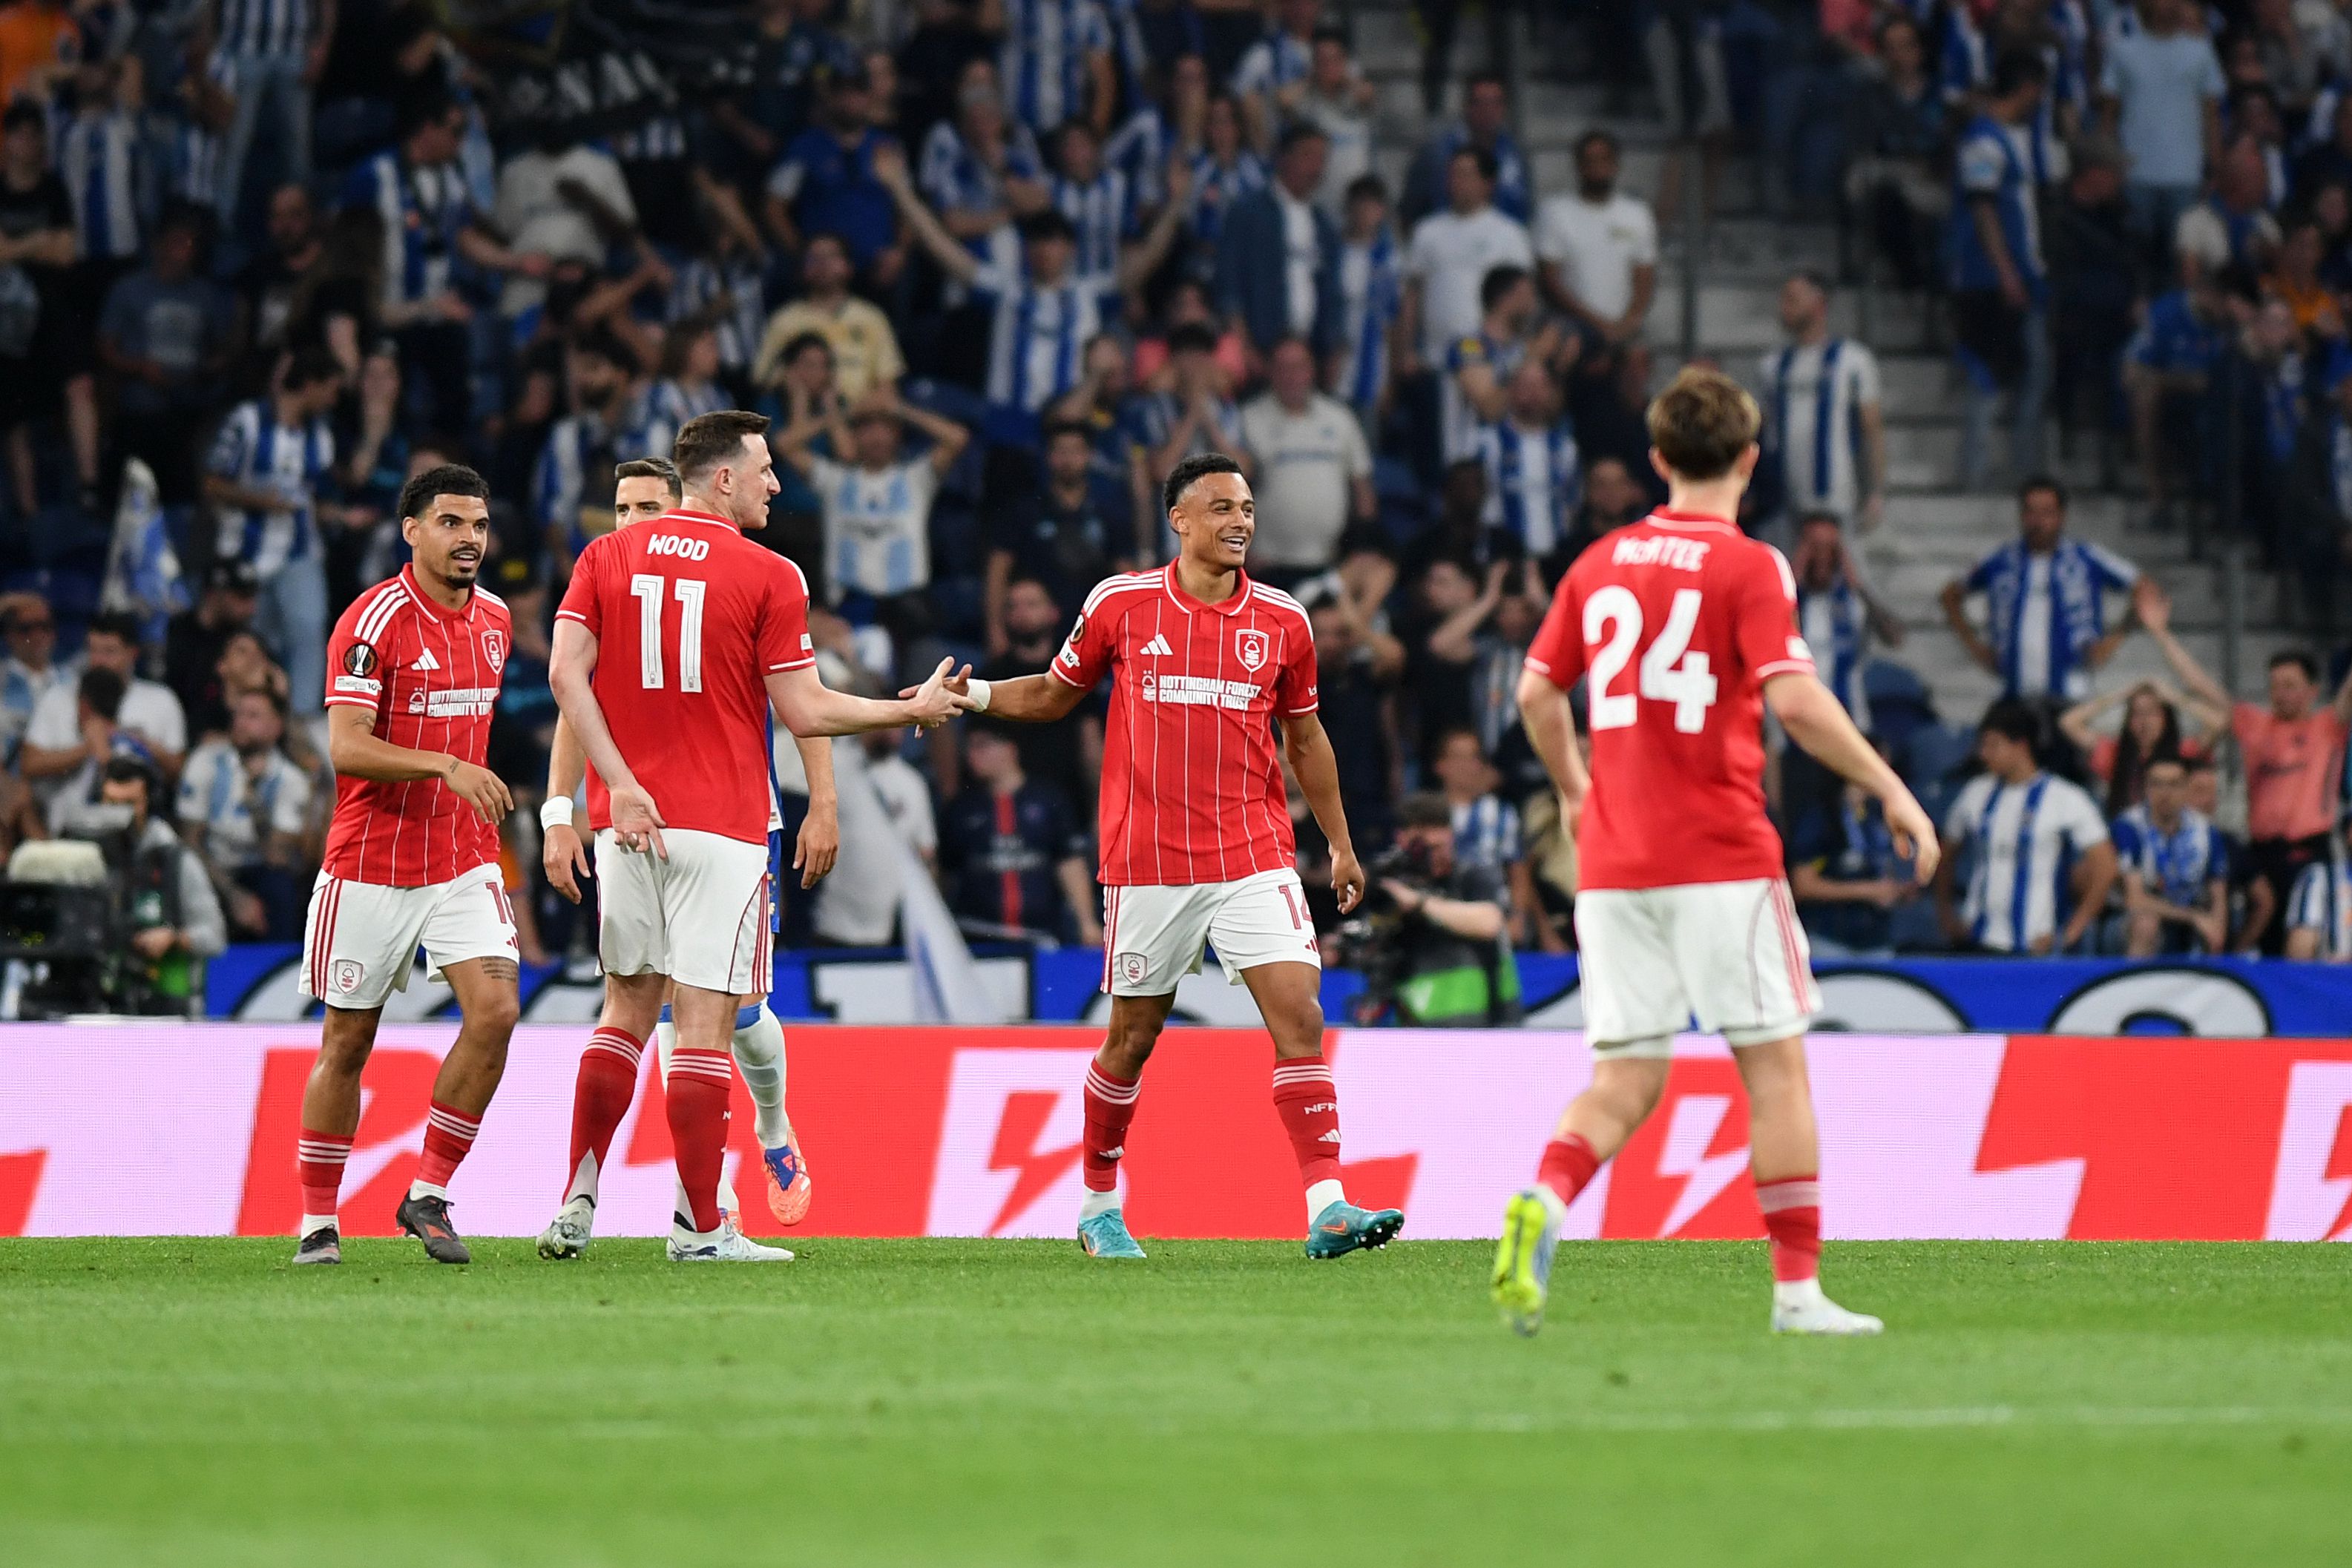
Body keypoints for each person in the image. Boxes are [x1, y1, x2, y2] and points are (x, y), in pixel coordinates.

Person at [1495, 366, 1941, 1339]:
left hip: (1614, 862)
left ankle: (1546, 1199)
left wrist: (1576, 792)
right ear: (1749, 458)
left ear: (1656, 459)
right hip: (1720, 855)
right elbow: (1792, 698)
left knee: (1624, 1079)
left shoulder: (1599, 561)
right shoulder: (1750, 565)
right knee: (1774, 1071)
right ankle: (1795, 1293)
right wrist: (1890, 785)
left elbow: (1534, 694)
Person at [916, 451, 1403, 1262]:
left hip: (1253, 850)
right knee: (1132, 1040)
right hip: (1147, 861)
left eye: (1245, 507)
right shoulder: (1122, 603)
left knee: (1301, 1016)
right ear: (1177, 520)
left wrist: (1341, 843)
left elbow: (1306, 738)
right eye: (1219, 508)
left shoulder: (1284, 620)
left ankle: (1326, 1204)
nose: (1238, 521)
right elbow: (1053, 691)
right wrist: (969, 695)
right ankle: (1098, 1203)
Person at [545, 409, 967, 1263]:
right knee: (706, 1024)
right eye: (765, 469)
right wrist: (909, 708)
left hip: (627, 823)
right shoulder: (770, 573)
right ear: (723, 479)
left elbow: (563, 675)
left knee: (623, 1014)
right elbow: (805, 707)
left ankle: (576, 1201)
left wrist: (615, 785)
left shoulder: (604, 555)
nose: (777, 482)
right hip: (725, 827)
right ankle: (700, 1229)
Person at [538, 457, 841, 1249]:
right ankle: (697, 1211)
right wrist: (558, 811)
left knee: (733, 1012)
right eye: (620, 507)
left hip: (739, 811)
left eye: (647, 504)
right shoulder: (618, 576)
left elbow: (796, 703)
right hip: (646, 819)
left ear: (682, 504)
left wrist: (822, 803)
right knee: (675, 1010)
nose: (632, 520)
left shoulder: (716, 578)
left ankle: (770, 1133)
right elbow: (577, 705)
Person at [287, 465, 522, 1268]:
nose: (470, 539)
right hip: (372, 863)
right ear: (411, 530)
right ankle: (319, 1219)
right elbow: (346, 746)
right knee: (348, 1040)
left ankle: (428, 1190)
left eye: (480, 525)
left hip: (462, 859)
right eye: (452, 522)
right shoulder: (372, 620)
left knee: (495, 1010)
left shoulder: (495, 618)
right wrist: (444, 767)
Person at [2143, 608, 2352, 952]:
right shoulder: (2254, 725)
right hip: (2263, 854)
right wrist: (2161, 634)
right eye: (2274, 686)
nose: (2280, 694)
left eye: (2290, 686)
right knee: (2264, 941)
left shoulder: (2329, 727)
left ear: (2312, 691)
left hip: (2310, 854)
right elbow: (2200, 685)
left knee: (2308, 944)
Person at [777, 384, 971, 661]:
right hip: (849, 612)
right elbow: (785, 443)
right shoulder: (834, 482)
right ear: (854, 435)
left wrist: (901, 409)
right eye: (867, 428)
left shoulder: (916, 480)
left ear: (898, 435)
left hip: (908, 614)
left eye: (886, 428)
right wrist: (843, 414)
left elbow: (958, 438)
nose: (877, 437)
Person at [202, 347, 346, 718]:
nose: (333, 400)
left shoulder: (320, 436)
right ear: (310, 385)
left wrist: (343, 517)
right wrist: (261, 501)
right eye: (330, 389)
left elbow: (313, 499)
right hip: (245, 553)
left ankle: (301, 719)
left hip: (299, 552)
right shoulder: (247, 422)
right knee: (252, 642)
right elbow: (212, 482)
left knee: (308, 630)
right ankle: (244, 715)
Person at [1935, 697, 2119, 954]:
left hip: (2036, 944)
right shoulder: (1975, 793)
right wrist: (1946, 915)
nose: (1983, 754)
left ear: (2020, 747)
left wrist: (2074, 929)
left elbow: (2106, 865)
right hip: (1976, 940)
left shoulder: (2064, 797)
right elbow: (1945, 854)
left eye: (1993, 745)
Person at [1948, 50, 2053, 490]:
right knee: (1991, 374)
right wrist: (2006, 270)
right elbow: (1983, 207)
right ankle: (1979, 473)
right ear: (2030, 88)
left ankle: (2017, 470)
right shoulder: (1985, 140)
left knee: (2028, 370)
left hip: (2012, 275)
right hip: (1988, 279)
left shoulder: (2005, 137)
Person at [1940, 477, 2141, 702]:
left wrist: (2116, 638)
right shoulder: (2001, 559)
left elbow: (2144, 587)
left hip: (2073, 693)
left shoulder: (2085, 556)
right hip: (2013, 692)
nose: (2038, 521)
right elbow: (1950, 594)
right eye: (2030, 512)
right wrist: (1975, 647)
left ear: (2061, 516)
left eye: (2047, 512)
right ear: (2021, 515)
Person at [89, 754, 227, 1015]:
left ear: (149, 804)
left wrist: (174, 938)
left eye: (129, 804)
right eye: (111, 804)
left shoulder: (177, 861)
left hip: (172, 1006)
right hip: (108, 1003)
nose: (119, 815)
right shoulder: (93, 857)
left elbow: (215, 937)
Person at [939, 720, 1099, 942]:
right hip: (976, 937)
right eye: (970, 747)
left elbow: (1070, 863)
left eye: (982, 745)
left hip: (1040, 935)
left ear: (1010, 748)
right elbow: (946, 874)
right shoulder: (961, 809)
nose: (973, 754)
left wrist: (1087, 922)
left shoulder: (1048, 800)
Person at [986, 419, 1136, 653]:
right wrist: (995, 629)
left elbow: (1125, 576)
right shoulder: (1024, 510)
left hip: (1091, 634)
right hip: (1032, 635)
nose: (1068, 460)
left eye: (1076, 451)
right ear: (1048, 456)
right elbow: (998, 569)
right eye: (1060, 451)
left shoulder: (1109, 512)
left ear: (1089, 455)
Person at [177, 688, 312, 942]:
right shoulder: (206, 761)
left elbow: (277, 856)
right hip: (212, 867)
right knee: (186, 872)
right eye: (238, 714)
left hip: (259, 869)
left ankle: (277, 967)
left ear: (276, 726)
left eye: (253, 716)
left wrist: (256, 802)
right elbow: (190, 840)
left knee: (281, 887)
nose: (241, 723)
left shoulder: (290, 779)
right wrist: (233, 895)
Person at [2098, 0, 2226, 269]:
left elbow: (2211, 116)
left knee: (2182, 261)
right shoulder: (2123, 51)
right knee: (2134, 259)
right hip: (2134, 174)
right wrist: (2109, 167)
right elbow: (2109, 116)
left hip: (2185, 176)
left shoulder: (2200, 52)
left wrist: (2215, 166)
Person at [1758, 272, 1885, 536]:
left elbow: (1871, 428)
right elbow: (1762, 429)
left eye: (1792, 299)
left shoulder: (1853, 361)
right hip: (1784, 501)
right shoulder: (1772, 366)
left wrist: (1875, 492)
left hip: (1836, 501)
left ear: (1819, 304)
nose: (1784, 307)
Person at [1237, 335, 1373, 581]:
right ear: (1270, 372)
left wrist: (1362, 545)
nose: (1291, 376)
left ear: (1312, 370)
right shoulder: (1248, 418)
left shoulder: (1340, 418)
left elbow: (1362, 487)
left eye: (1298, 367)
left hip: (1330, 561)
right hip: (1266, 562)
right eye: (1283, 368)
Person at [17, 611, 187, 799]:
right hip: (67, 821)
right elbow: (29, 764)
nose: (99, 661)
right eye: (93, 650)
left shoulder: (161, 700)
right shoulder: (59, 697)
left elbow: (179, 773)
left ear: (133, 653)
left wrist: (134, 742)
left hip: (139, 818)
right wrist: (88, 748)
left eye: (109, 652)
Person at [1214, 121, 1341, 369]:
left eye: (1321, 159)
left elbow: (1331, 292)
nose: (1316, 167)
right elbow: (1230, 286)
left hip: (1308, 356)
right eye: (1308, 156)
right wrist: (1244, 346)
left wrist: (1331, 350)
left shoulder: (1324, 225)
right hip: (1260, 354)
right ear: (1284, 157)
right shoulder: (1248, 213)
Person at [1533, 130, 1657, 384]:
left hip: (1624, 330)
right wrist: (1598, 327)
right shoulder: (1556, 212)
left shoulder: (1637, 214)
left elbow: (1645, 276)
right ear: (1578, 166)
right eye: (1589, 160)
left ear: (1615, 165)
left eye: (1604, 159)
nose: (1597, 167)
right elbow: (1550, 281)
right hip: (1574, 328)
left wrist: (1628, 323)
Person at [1399, 147, 1533, 382]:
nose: (1457, 182)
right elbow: (1412, 294)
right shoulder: (1427, 231)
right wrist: (1407, 350)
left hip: (1492, 361)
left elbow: (1523, 297)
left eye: (1466, 175)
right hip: (1435, 361)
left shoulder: (1510, 234)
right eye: (1453, 175)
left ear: (1487, 183)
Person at [752, 231, 907, 402]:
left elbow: (887, 384)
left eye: (832, 256)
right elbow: (763, 379)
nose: (823, 264)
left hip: (859, 417)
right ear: (803, 267)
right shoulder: (784, 320)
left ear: (849, 266)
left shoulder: (872, 317)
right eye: (814, 257)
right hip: (801, 414)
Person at [2112, 750, 2231, 956]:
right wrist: (2193, 917)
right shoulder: (2129, 826)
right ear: (2145, 788)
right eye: (2156, 784)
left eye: (2174, 784)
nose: (2164, 793)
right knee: (2146, 924)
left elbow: (2219, 895)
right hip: (2129, 920)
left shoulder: (2206, 830)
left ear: (2187, 788)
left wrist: (2217, 929)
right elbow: (2135, 899)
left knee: (2216, 927)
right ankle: (2137, 987)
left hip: (2189, 916)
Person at [2057, 668, 2223, 817]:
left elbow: (2219, 723)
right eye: (2137, 713)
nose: (2145, 722)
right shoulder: (2116, 754)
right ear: (2128, 721)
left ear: (2167, 718)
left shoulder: (2183, 752)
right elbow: (2068, 722)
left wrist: (2174, 697)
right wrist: (2122, 695)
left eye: (2152, 713)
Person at [1473, 361, 1582, 569]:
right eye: (1525, 385)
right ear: (1511, 389)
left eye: (1540, 385)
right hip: (1502, 558)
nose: (1533, 393)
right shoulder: (1488, 443)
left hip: (1554, 558)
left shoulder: (1566, 447)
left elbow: (1572, 503)